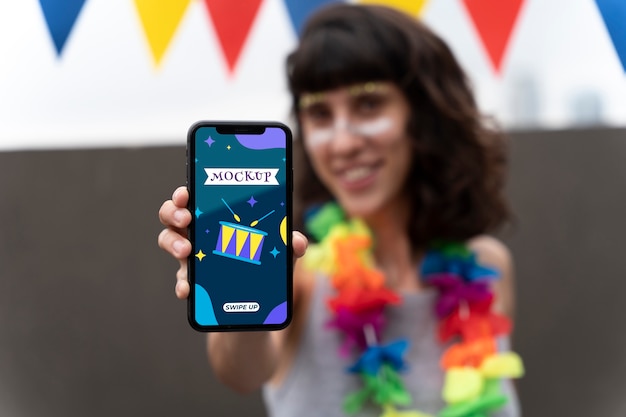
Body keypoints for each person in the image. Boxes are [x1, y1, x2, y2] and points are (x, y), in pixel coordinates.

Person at [158, 4, 523, 417]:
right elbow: (242, 371)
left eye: (368, 105)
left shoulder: (488, 267)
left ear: (421, 116)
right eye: (319, 114)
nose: (343, 142)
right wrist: (233, 281)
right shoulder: (296, 273)